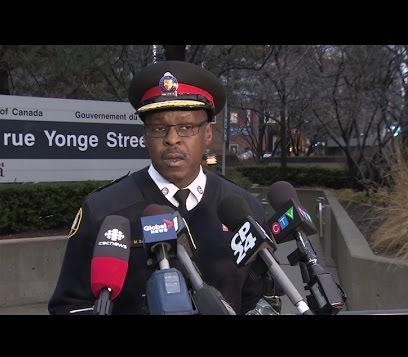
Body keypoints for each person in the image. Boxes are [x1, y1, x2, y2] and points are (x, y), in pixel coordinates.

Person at [48, 60, 272, 315]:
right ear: (145, 135)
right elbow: (69, 306)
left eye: (186, 127)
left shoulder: (243, 210)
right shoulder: (104, 210)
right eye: (159, 128)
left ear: (208, 133)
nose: (172, 139)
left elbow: (260, 299)